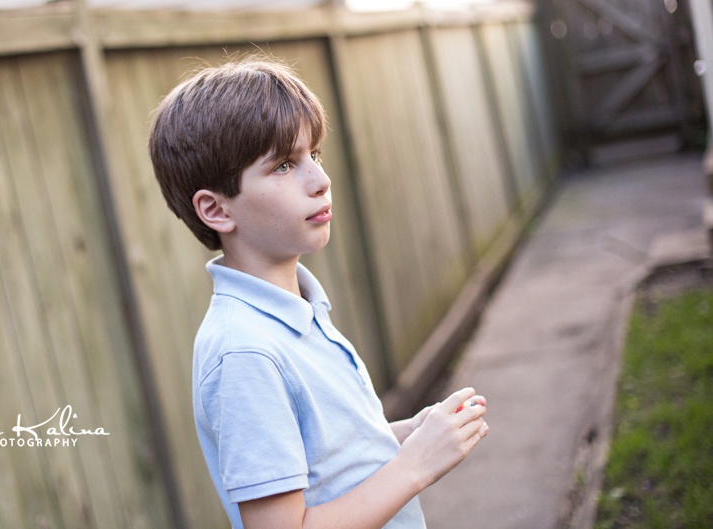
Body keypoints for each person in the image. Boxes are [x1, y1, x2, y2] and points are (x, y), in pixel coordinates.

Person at [148, 57, 489, 529]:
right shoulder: (245, 352)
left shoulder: (299, 311)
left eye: (316, 155)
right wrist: (415, 467)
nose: (321, 181)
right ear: (216, 210)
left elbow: (328, 464)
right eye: (285, 165)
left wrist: (409, 437)